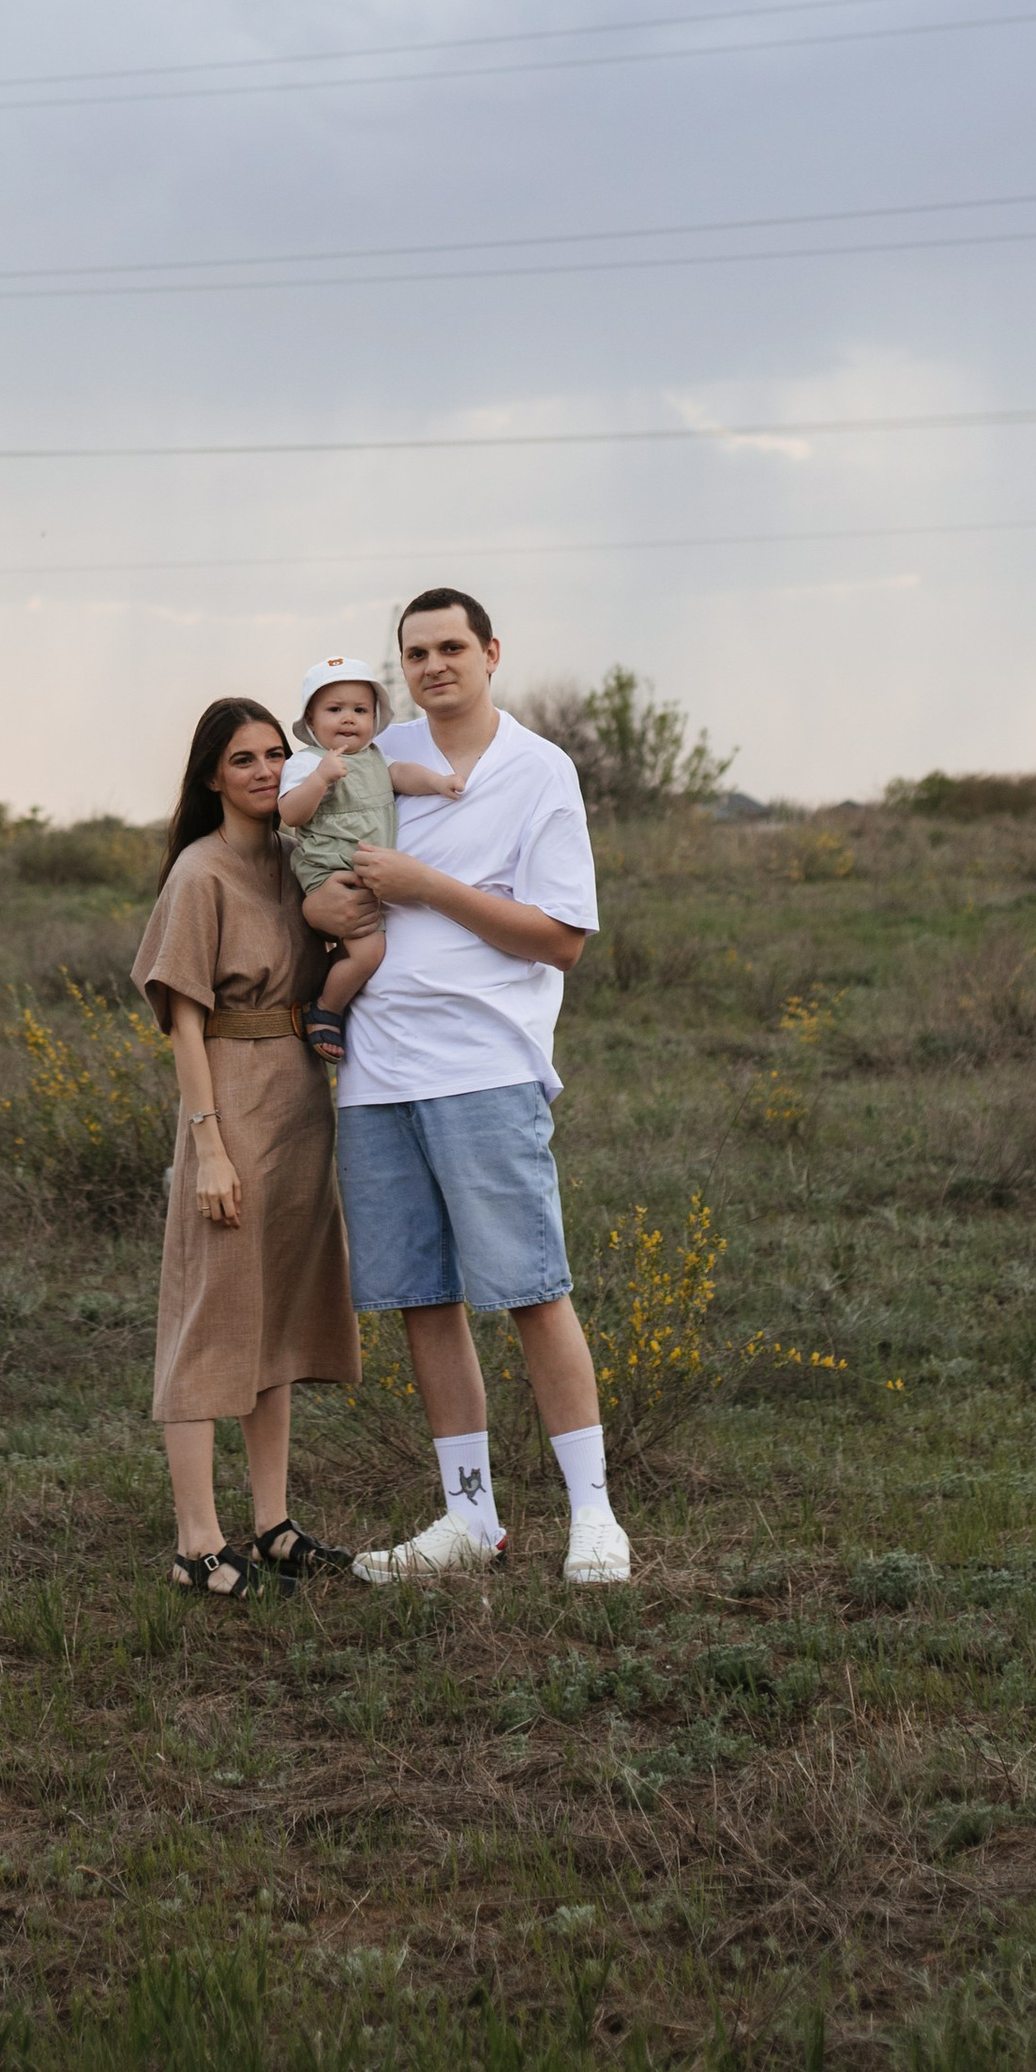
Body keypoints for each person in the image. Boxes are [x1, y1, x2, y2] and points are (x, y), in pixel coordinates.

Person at [301, 586, 631, 1586]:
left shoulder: (538, 772)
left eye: (452, 647)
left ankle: (594, 1518)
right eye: (416, 652)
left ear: (491, 653)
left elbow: (562, 938)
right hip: (371, 1071)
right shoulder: (375, 760)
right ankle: (468, 1521)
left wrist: (428, 888)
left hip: (483, 1067)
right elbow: (313, 865)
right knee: (421, 1298)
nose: (434, 665)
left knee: (532, 1290)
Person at [132, 696, 362, 1597]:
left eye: (276, 755)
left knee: (276, 1318)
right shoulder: (201, 872)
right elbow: (184, 1021)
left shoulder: (296, 859)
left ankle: (271, 1525)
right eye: (244, 760)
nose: (267, 772)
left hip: (301, 1099)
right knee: (209, 1318)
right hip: (228, 1095)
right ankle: (197, 1542)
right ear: (209, 777)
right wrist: (209, 1146)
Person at [277, 650, 463, 1066]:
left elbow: (403, 776)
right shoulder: (306, 763)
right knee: (369, 951)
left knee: (361, 945)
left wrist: (438, 781)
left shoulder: (377, 758)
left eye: (360, 710)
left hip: (364, 874)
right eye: (335, 709)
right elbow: (290, 813)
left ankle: (320, 978)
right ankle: (326, 1008)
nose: (348, 719)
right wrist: (320, 779)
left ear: (375, 719)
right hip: (327, 871)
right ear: (311, 722)